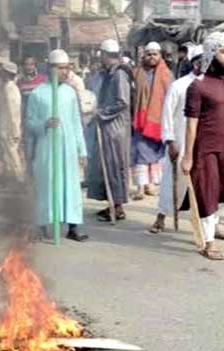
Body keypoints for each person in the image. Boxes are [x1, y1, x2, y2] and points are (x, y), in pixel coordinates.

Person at [182, 32, 224, 261]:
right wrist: (188, 156)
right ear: (211, 53)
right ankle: (208, 242)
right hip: (206, 150)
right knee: (207, 192)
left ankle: (213, 225)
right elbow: (191, 125)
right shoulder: (197, 87)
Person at [25, 49, 88, 242]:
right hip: (47, 149)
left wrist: (81, 150)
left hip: (68, 149)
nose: (65, 72)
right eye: (61, 68)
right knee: (47, 186)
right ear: (50, 69)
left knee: (71, 186)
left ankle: (73, 226)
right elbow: (29, 123)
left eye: (67, 68)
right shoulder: (37, 94)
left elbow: (77, 122)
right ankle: (43, 225)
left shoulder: (70, 93)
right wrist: (44, 124)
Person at [149, 45, 204, 234]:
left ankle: (210, 226)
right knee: (171, 183)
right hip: (179, 142)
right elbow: (167, 115)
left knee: (205, 186)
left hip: (203, 144)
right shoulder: (179, 85)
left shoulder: (212, 85)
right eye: (199, 61)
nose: (202, 65)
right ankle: (161, 217)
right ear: (193, 63)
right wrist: (170, 141)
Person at [87, 39, 132, 222]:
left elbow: (122, 102)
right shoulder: (107, 73)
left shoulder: (119, 75)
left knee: (114, 166)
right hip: (107, 126)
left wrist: (102, 113)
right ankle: (111, 204)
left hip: (116, 128)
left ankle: (118, 207)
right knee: (105, 165)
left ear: (106, 55)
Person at [132, 42, 173, 199]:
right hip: (141, 120)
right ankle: (141, 187)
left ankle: (151, 184)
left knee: (155, 154)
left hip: (158, 119)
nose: (152, 57)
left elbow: (171, 96)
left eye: (155, 54)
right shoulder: (137, 72)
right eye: (149, 54)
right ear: (145, 56)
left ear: (160, 56)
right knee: (140, 152)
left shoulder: (167, 74)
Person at [0, 61, 26, 185]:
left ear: (7, 73)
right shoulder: (6, 86)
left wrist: (15, 130)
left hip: (10, 129)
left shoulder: (10, 89)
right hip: (6, 128)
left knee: (12, 155)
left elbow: (13, 113)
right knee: (7, 154)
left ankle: (19, 178)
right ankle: (9, 178)